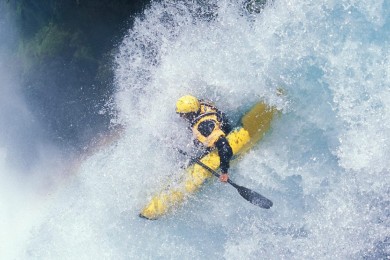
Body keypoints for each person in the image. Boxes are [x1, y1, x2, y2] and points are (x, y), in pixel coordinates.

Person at [176, 95, 233, 182]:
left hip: (222, 137)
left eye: (183, 115)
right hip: (218, 124)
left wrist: (224, 172)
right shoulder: (200, 104)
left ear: (190, 114)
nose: (181, 117)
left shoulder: (204, 127)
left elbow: (224, 146)